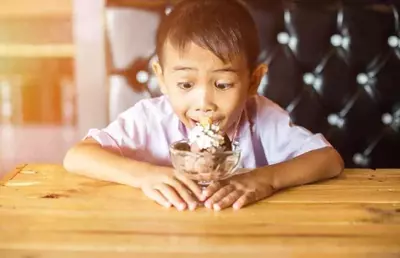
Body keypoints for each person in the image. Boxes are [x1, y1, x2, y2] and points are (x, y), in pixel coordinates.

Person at [63, 0, 344, 211]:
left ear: (253, 81)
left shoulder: (260, 117)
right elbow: (77, 156)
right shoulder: (150, 118)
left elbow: (329, 160)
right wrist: (145, 175)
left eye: (222, 85)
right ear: (161, 78)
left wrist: (266, 179)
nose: (204, 103)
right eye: (186, 85)